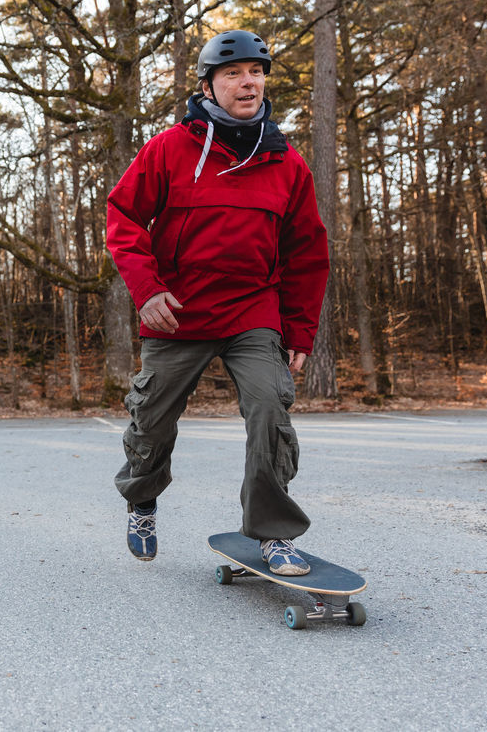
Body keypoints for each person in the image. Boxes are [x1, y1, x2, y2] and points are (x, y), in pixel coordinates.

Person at [105, 30, 329, 575]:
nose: (247, 82)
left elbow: (307, 253)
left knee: (270, 409)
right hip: (177, 308)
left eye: (256, 72)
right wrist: (147, 287)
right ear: (209, 84)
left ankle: (272, 535)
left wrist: (300, 331)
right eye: (232, 73)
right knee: (152, 420)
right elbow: (124, 218)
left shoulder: (287, 163)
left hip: (253, 309)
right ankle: (142, 499)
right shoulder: (170, 148)